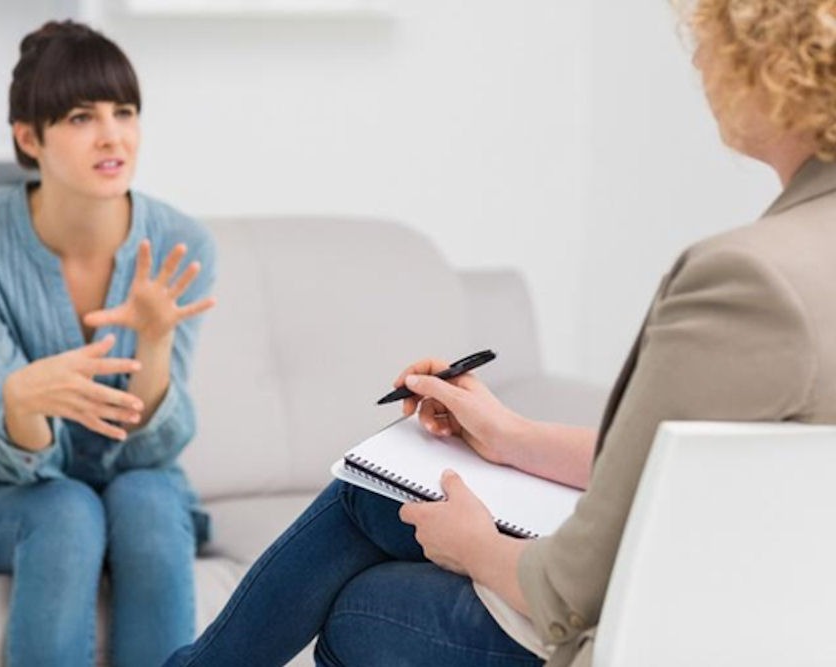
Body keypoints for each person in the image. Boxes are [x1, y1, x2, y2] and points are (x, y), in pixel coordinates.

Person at [164, 1, 836, 665]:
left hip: (660, 631)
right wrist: (512, 435)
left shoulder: (748, 278)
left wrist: (474, 543)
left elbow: (569, 588)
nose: (698, 61)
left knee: (366, 608)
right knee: (376, 501)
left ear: (771, 67)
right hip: (765, 611)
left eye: (712, 43)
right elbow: (676, 460)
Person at [0, 20, 216, 667]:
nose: (111, 135)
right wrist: (23, 402)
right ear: (28, 137)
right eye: (79, 116)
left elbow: (154, 451)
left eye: (124, 111)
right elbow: (8, 455)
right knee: (66, 508)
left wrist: (153, 346)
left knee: (150, 499)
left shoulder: (183, 244)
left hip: (131, 480)